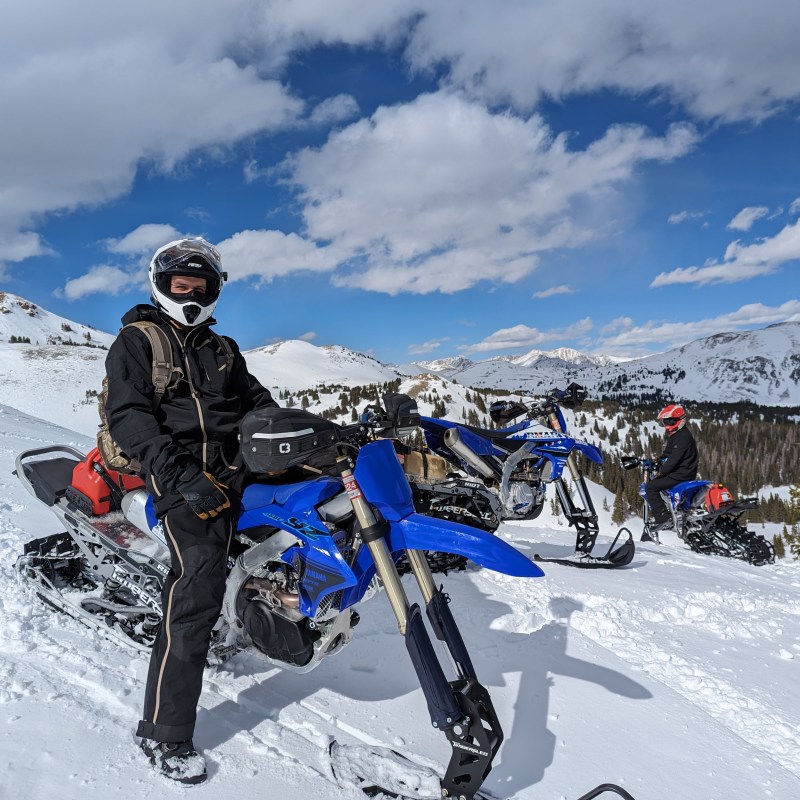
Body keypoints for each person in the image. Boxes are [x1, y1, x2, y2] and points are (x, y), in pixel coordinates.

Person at [103, 237, 278, 784]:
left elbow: (258, 404)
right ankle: (164, 731)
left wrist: (297, 436)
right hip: (175, 477)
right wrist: (182, 479)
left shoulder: (222, 348)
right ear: (162, 286)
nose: (192, 294)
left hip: (233, 471)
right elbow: (130, 417)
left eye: (201, 287)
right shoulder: (138, 341)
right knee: (196, 590)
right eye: (182, 286)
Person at [643, 403, 699, 540]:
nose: (667, 425)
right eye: (665, 421)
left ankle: (664, 519)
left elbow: (673, 460)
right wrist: (657, 460)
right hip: (681, 472)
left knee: (650, 487)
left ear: (680, 420)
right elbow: (668, 454)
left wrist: (661, 472)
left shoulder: (682, 437)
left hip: (681, 474)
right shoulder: (677, 435)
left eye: (670, 421)